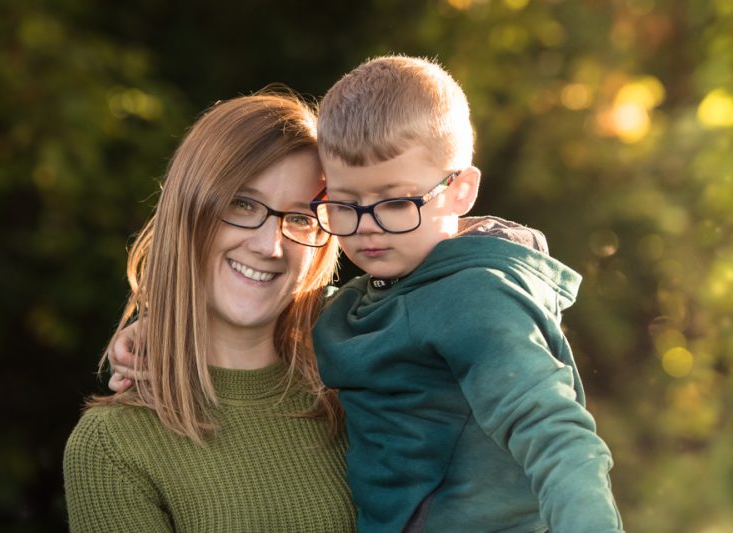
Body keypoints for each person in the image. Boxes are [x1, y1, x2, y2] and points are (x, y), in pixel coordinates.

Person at [112, 56, 624, 532]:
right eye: (346, 204)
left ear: (460, 191)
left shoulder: (479, 301)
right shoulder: (367, 304)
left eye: (395, 203)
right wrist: (160, 325)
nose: (368, 230)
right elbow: (288, 316)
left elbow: (558, 439)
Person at [62, 92, 356, 532]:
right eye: (242, 204)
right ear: (189, 211)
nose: (268, 245)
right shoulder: (114, 446)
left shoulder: (364, 387)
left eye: (300, 218)